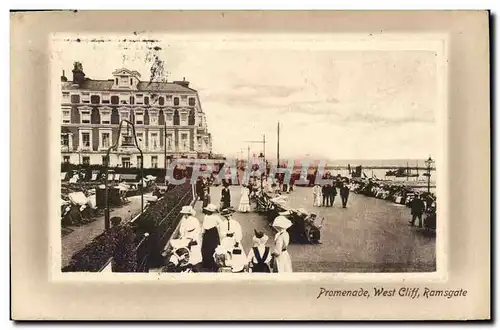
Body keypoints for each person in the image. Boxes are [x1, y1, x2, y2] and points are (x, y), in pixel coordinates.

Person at [201, 204, 221, 272]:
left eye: (209, 211)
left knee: (213, 248)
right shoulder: (206, 216)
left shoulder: (216, 217)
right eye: (207, 210)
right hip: (207, 233)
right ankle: (206, 264)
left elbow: (221, 223)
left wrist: (216, 227)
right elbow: (203, 225)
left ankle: (213, 264)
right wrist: (202, 232)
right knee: (205, 248)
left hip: (213, 233)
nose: (208, 212)